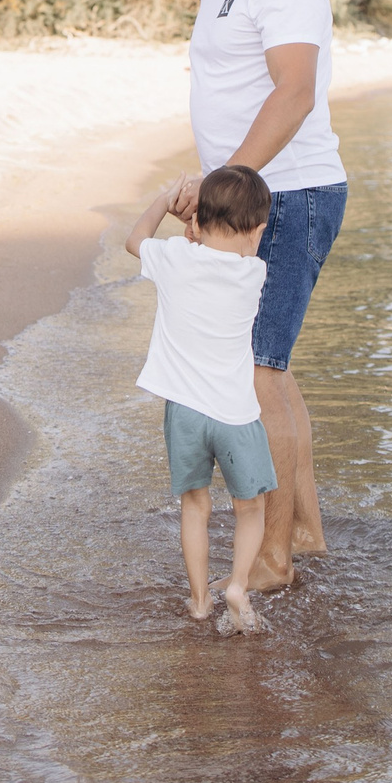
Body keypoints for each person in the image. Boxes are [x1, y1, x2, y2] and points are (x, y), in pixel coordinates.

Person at [170, 0, 348, 593]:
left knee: (256, 375)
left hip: (287, 197)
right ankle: (303, 532)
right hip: (258, 200)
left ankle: (272, 559)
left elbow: (294, 92)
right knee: (273, 371)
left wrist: (223, 192)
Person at [126, 163, 277, 633]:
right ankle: (236, 586)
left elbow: (135, 240)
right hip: (234, 415)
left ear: (197, 219)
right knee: (250, 508)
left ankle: (197, 602)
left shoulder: (174, 258)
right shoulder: (254, 272)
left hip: (184, 413)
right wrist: (197, 229)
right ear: (256, 229)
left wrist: (168, 197)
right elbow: (227, 246)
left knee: (196, 506)